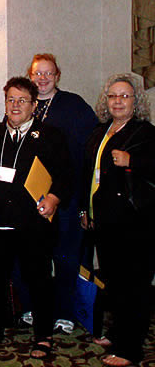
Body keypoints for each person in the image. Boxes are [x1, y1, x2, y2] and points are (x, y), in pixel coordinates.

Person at [0, 77, 72, 359]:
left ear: (34, 105)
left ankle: (43, 335)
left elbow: (65, 176)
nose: (15, 106)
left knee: (38, 278)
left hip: (33, 223)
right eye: (11, 100)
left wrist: (53, 198)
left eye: (22, 101)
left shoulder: (51, 136)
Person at [15, 53, 98, 333]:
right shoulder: (23, 102)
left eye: (48, 73)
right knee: (29, 256)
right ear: (30, 74)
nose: (43, 78)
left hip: (65, 194)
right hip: (29, 197)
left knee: (65, 256)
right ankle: (30, 308)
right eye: (38, 73)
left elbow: (91, 146)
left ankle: (64, 312)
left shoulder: (73, 105)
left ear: (57, 76)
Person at [80, 73, 155, 367]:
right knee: (114, 283)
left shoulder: (145, 132)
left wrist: (131, 161)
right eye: (113, 96)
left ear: (136, 102)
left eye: (124, 96)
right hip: (104, 222)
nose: (118, 101)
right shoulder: (100, 131)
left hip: (135, 224)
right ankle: (117, 332)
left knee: (133, 287)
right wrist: (84, 211)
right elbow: (89, 175)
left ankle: (129, 349)